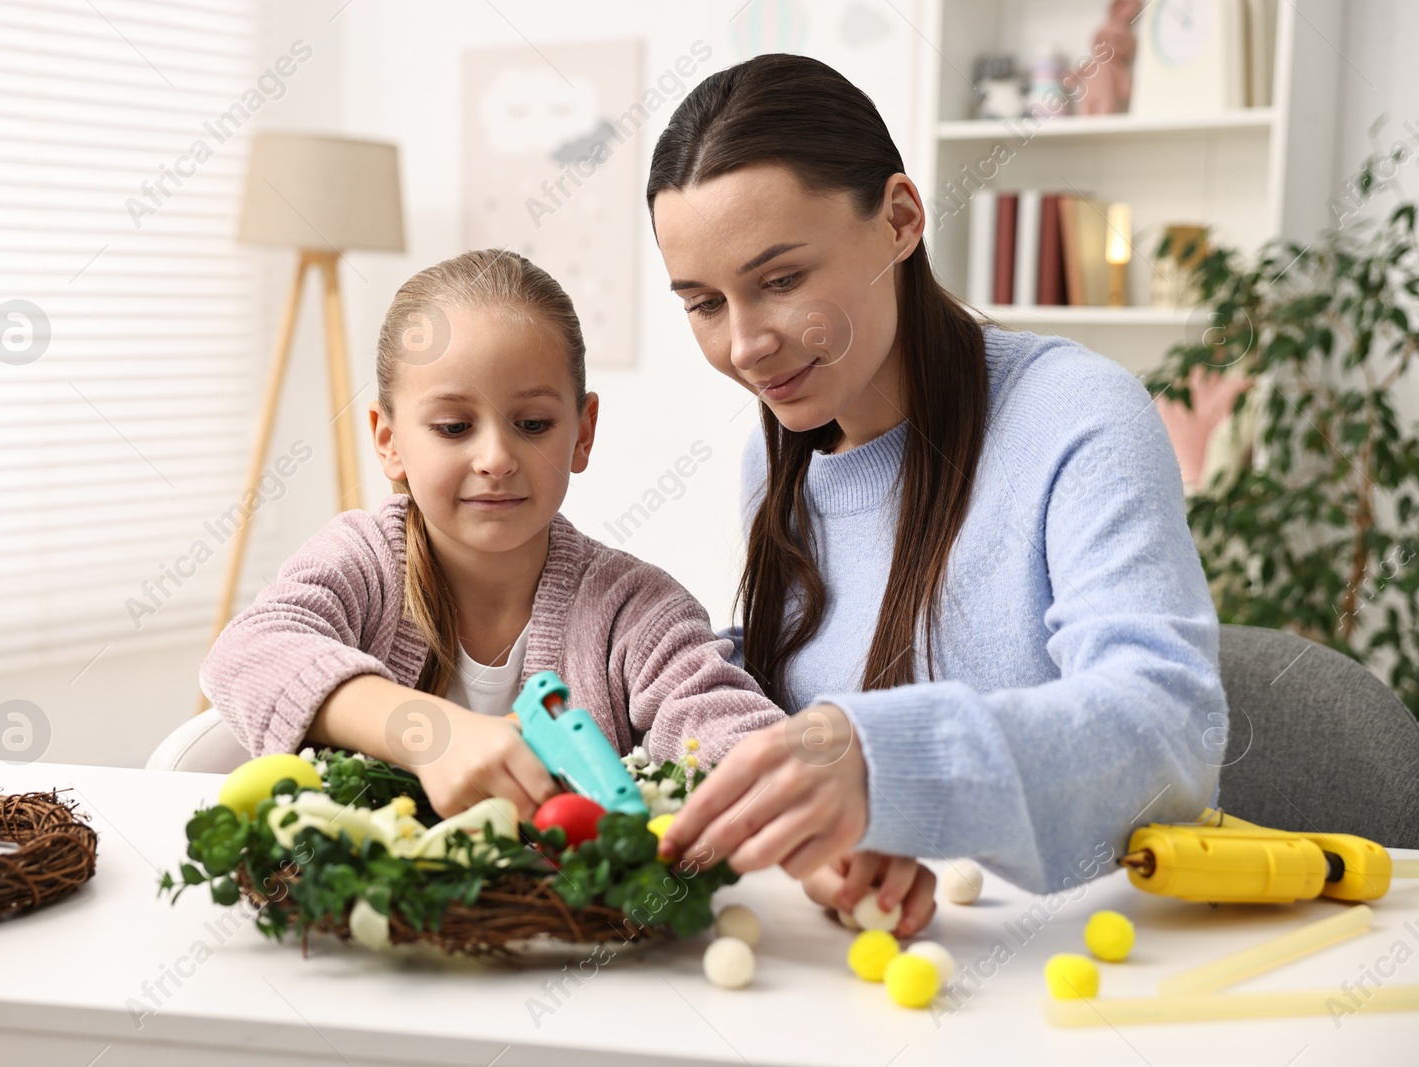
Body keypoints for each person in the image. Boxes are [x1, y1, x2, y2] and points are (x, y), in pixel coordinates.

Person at [648, 54, 1226, 937]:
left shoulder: (1076, 415)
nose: (745, 345)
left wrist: (882, 761)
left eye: (780, 280)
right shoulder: (777, 466)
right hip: (864, 966)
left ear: (901, 220)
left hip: (1070, 965)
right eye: (704, 303)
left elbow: (1167, 728)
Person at [199, 249, 784, 821]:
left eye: (532, 424)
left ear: (582, 434)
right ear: (389, 440)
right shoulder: (364, 561)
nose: (497, 458)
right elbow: (245, 654)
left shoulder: (636, 610)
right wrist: (432, 734)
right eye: (454, 427)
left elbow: (727, 734)